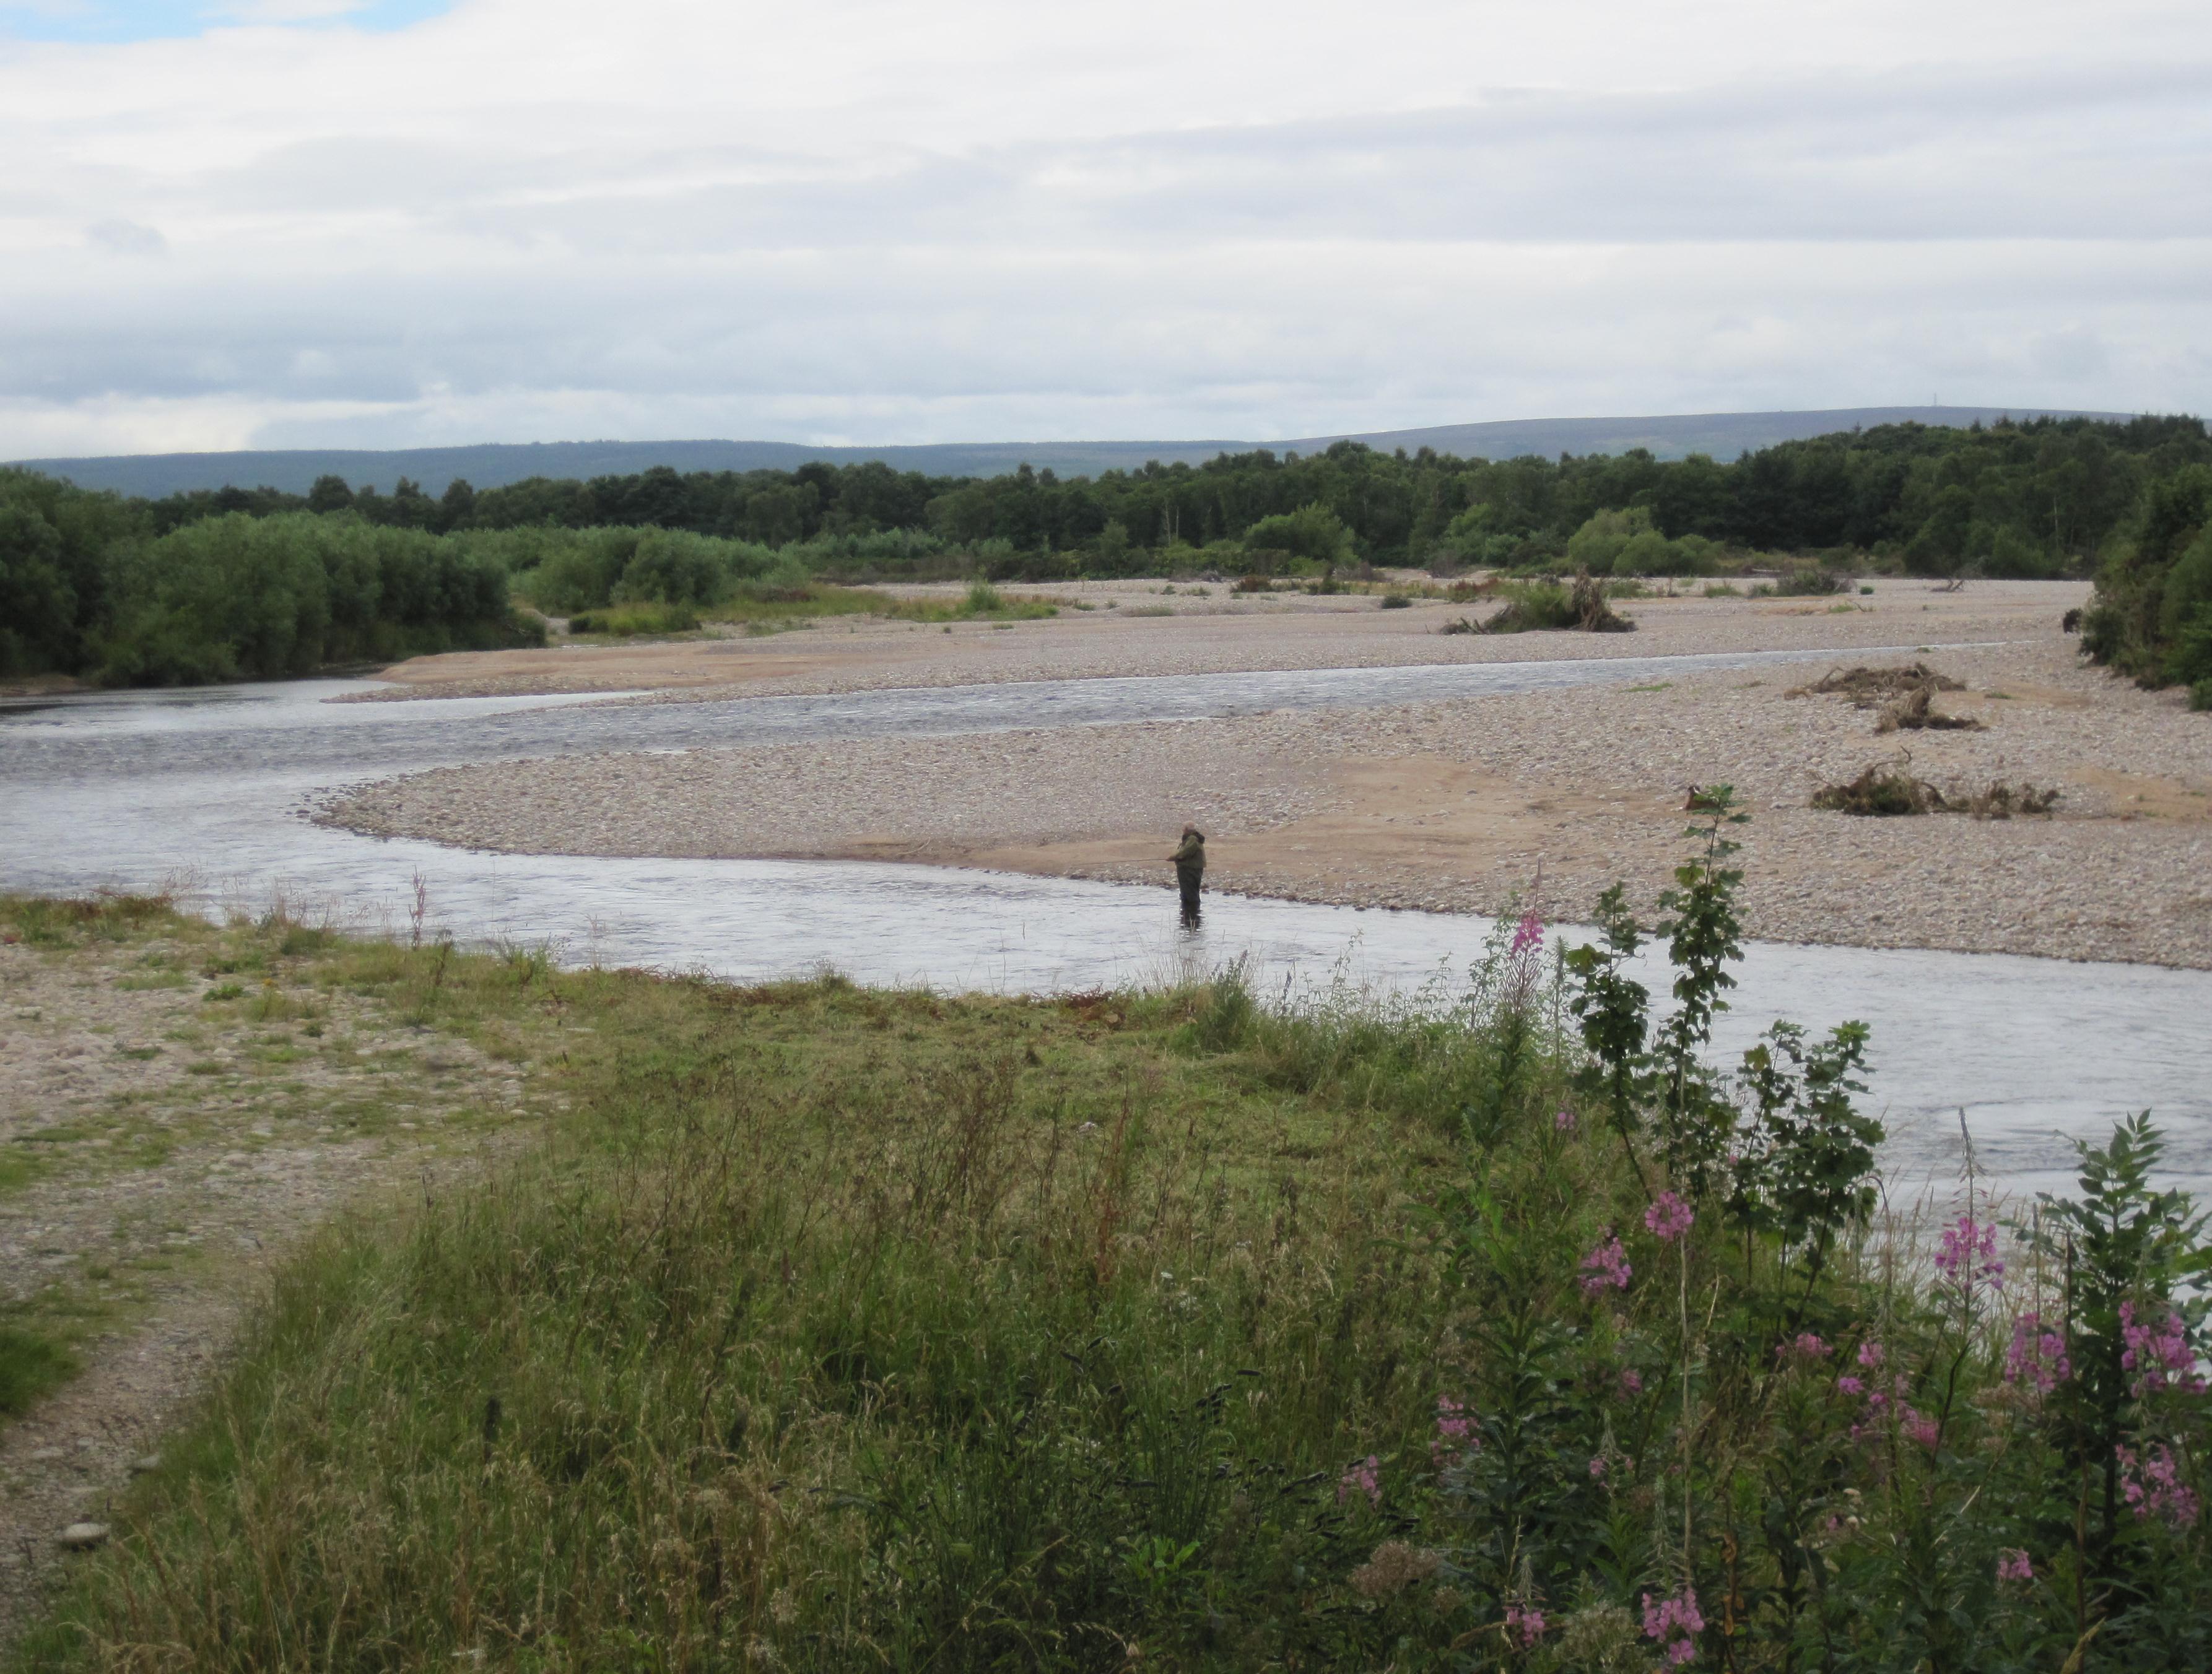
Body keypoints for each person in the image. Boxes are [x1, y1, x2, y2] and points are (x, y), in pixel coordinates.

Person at [1168, 824, 1205, 927]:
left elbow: (1185, 852)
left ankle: (1191, 918)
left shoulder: (1193, 839)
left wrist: (1173, 857)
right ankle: (1190, 916)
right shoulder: (1192, 838)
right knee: (1188, 893)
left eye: (1183, 829)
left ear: (1187, 830)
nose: (1182, 831)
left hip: (1190, 869)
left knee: (1190, 893)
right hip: (1188, 869)